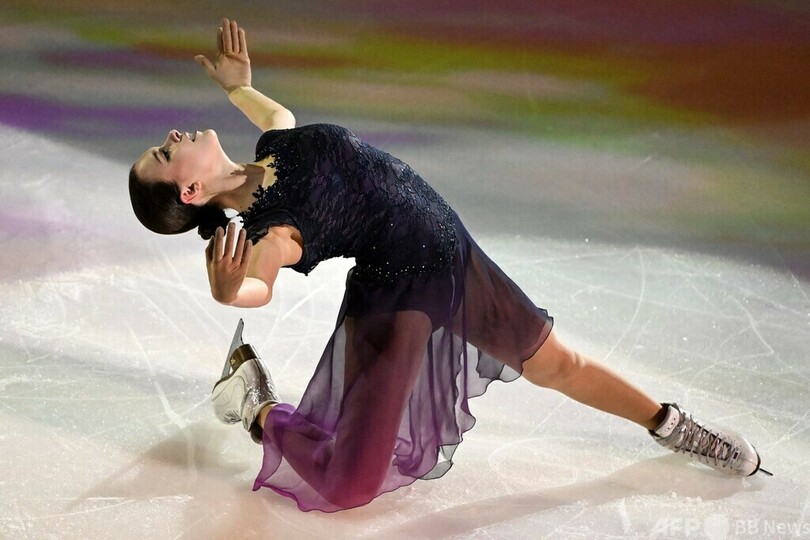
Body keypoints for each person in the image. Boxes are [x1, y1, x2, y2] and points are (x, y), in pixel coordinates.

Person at [128, 19, 770, 512]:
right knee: (350, 486)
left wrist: (238, 86)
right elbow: (262, 283)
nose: (173, 137)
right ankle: (256, 404)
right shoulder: (276, 228)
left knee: (557, 364)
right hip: (397, 297)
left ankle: (675, 428)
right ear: (191, 192)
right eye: (164, 152)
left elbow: (276, 115)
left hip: (451, 253)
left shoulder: (276, 147)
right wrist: (231, 294)